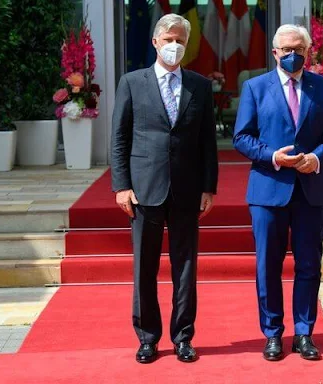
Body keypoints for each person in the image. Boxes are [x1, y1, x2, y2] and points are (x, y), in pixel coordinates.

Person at [233, 24, 323, 361]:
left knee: (309, 264)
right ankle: (272, 334)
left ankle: (303, 332)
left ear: (307, 50)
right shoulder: (255, 88)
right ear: (275, 52)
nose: (291, 54)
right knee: (268, 265)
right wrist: (272, 156)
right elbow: (241, 137)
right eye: (285, 49)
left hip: (310, 190)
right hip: (268, 190)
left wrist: (317, 158)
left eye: (298, 48)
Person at [111, 13, 218, 364]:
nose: (174, 46)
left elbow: (207, 143)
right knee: (145, 266)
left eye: (180, 41)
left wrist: (209, 187)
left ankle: (184, 336)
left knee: (185, 267)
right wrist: (121, 186)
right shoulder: (132, 82)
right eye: (168, 39)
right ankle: (147, 337)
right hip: (144, 189)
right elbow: (120, 137)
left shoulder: (199, 86)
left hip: (187, 190)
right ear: (155, 42)